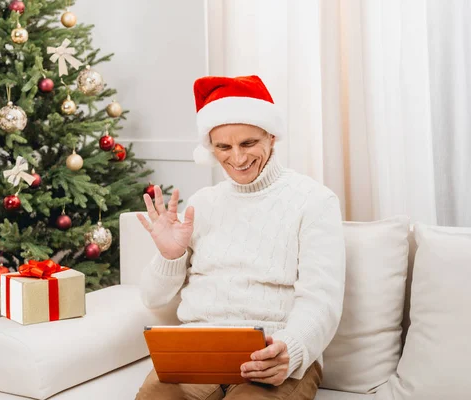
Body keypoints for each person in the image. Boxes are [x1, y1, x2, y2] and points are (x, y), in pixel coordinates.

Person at [135, 75, 346, 400]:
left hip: (273, 353)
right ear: (211, 148)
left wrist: (290, 350)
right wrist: (170, 256)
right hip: (197, 351)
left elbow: (322, 301)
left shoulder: (315, 202)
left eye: (248, 143)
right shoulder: (202, 204)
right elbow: (152, 298)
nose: (237, 158)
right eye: (223, 147)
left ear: (271, 136)